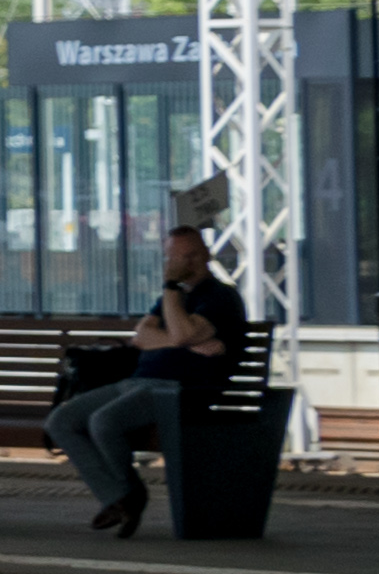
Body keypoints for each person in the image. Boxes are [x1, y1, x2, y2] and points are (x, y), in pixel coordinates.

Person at [46, 225, 241, 536]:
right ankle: (118, 497)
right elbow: (141, 336)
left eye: (189, 256)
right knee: (61, 420)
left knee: (103, 421)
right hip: (138, 382)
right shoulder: (173, 298)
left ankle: (129, 494)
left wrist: (171, 291)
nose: (181, 263)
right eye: (174, 257)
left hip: (179, 390)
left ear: (206, 255)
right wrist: (179, 339)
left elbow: (182, 333)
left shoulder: (220, 297)